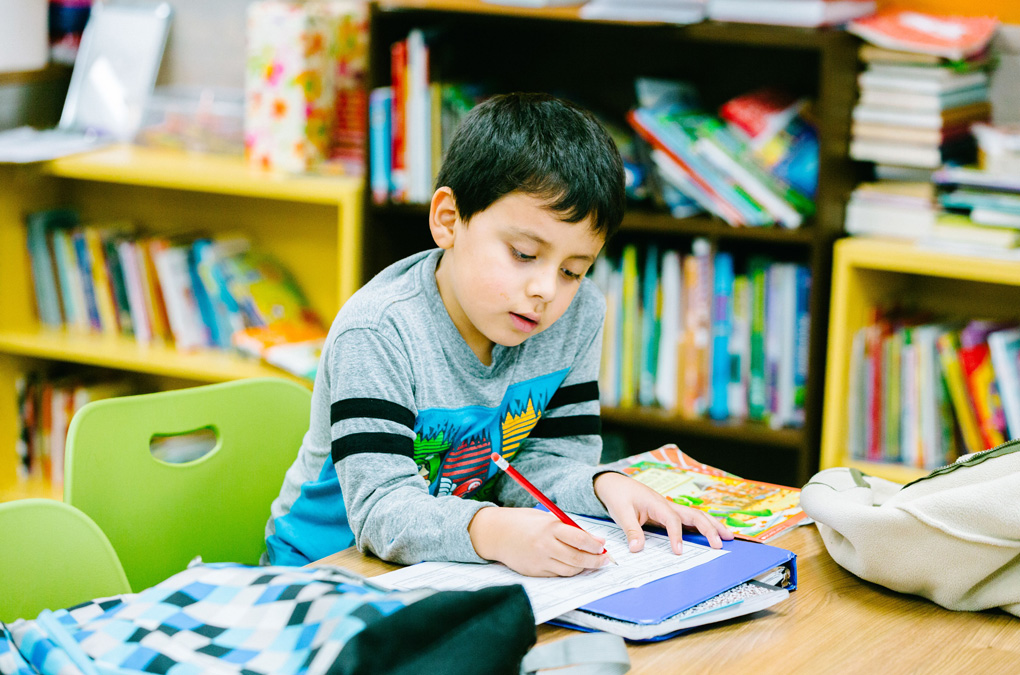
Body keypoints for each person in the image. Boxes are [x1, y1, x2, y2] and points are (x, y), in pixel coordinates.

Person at [265, 92, 732, 575]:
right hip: (324, 568)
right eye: (525, 254)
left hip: (451, 566)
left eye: (573, 270)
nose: (546, 289)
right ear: (449, 220)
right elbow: (379, 509)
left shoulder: (576, 316)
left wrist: (602, 486)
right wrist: (492, 531)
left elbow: (541, 463)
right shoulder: (378, 330)